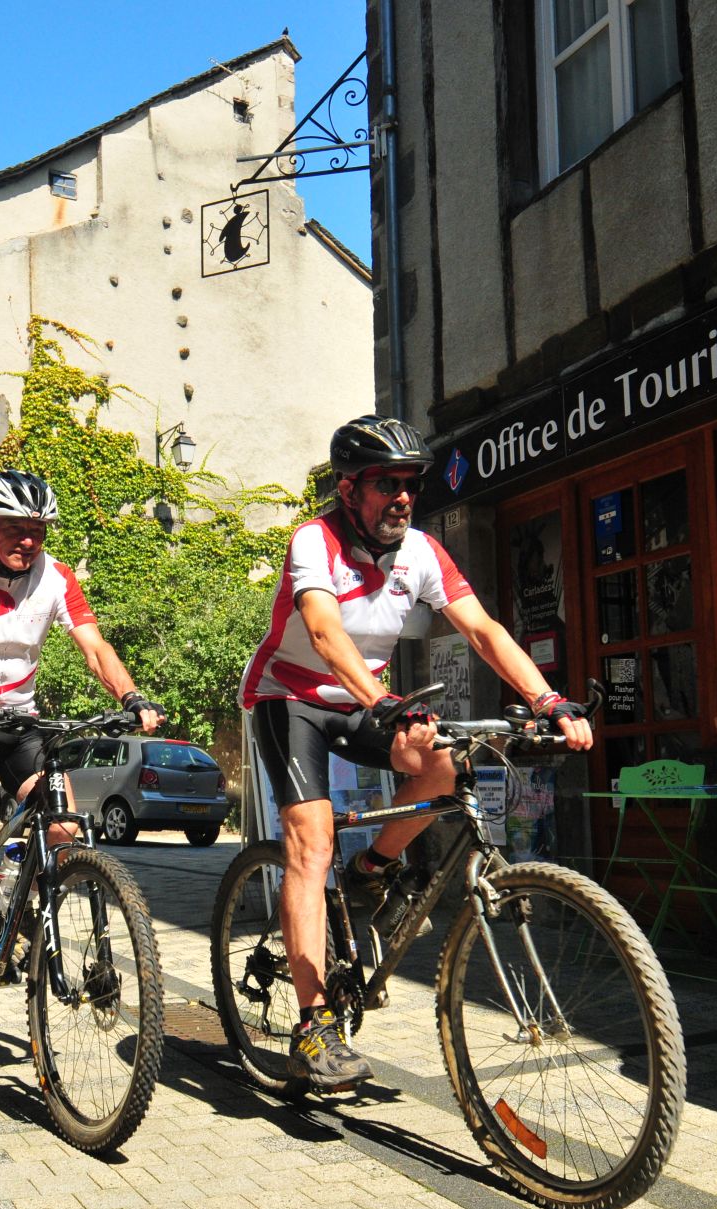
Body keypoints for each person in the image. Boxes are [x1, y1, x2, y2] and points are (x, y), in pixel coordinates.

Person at [239, 415, 594, 1088]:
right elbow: (320, 629)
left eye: (411, 484)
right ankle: (313, 1027)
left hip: (365, 695)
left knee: (441, 759)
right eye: (386, 484)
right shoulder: (314, 541)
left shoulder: (421, 553)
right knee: (311, 845)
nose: (402, 496)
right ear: (350, 490)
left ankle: (373, 868)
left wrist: (550, 701)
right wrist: (379, 698)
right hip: (294, 698)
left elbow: (483, 628)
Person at [0, 470, 164, 1001]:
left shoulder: (56, 577)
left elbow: (94, 647)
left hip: (19, 718)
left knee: (65, 823)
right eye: (14, 529)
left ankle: (15, 907)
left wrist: (131, 696)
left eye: (38, 530)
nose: (28, 541)